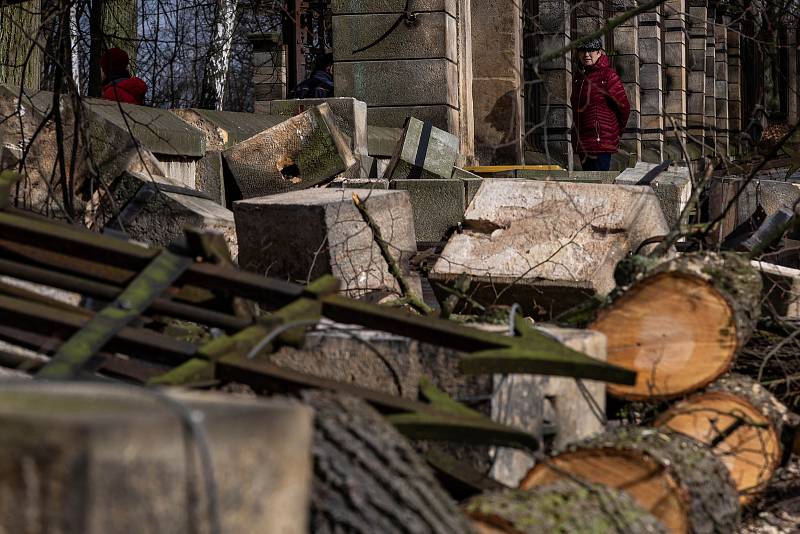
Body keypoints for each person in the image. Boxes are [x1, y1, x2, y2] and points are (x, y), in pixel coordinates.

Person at [571, 38, 630, 171]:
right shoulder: (578, 78)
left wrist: (615, 132)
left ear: (599, 53)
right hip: (583, 142)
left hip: (601, 141)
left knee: (599, 183)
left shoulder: (608, 76)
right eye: (583, 51)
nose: (586, 55)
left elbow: (624, 107)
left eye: (591, 51)